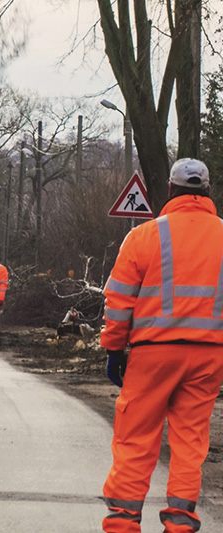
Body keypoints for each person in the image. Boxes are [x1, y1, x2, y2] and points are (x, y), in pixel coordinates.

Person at [100, 158, 223, 532]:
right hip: (208, 356)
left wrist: (114, 349)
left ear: (169, 191)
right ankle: (182, 523)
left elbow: (119, 300)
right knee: (190, 442)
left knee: (136, 437)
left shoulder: (144, 236)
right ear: (207, 192)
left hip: (152, 353)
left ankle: (123, 522)